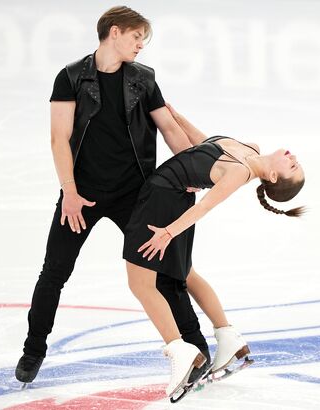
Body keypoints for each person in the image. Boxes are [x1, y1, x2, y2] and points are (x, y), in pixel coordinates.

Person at [15, 6, 211, 384]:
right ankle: (33, 349)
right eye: (137, 37)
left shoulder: (144, 79)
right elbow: (59, 138)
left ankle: (197, 350)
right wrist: (69, 192)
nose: (141, 46)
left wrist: (192, 169)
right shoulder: (70, 77)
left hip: (135, 195)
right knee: (54, 272)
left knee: (168, 272)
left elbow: (169, 128)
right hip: (81, 196)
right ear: (115, 32)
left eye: (143, 40)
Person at [123, 104, 306, 398]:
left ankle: (180, 351)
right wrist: (175, 115)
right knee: (188, 274)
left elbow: (207, 206)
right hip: (170, 197)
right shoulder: (250, 149)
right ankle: (228, 337)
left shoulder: (240, 173)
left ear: (273, 176)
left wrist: (168, 232)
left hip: (162, 201)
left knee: (140, 283)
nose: (293, 158)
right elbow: (205, 146)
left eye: (292, 167)